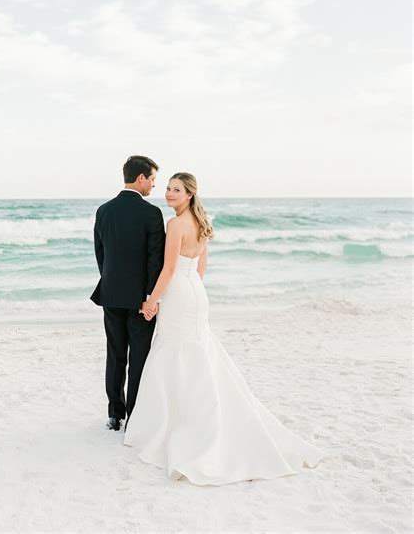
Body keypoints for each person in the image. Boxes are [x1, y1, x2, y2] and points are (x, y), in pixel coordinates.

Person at [123, 172, 329, 485]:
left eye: (176, 190)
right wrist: (189, 290)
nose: (168, 193)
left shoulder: (175, 224)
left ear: (189, 194)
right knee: (195, 350)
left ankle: (176, 423)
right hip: (195, 291)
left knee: (174, 352)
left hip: (179, 291)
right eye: (167, 188)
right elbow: (200, 267)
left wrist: (152, 300)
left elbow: (167, 269)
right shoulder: (201, 221)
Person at [90, 155, 165, 431]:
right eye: (153, 179)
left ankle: (114, 414)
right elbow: (154, 260)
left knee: (115, 353)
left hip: (110, 294)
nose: (154, 186)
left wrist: (110, 280)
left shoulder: (104, 210)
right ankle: (134, 413)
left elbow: (101, 255)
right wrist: (150, 297)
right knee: (139, 357)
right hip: (140, 300)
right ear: (141, 178)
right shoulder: (151, 214)